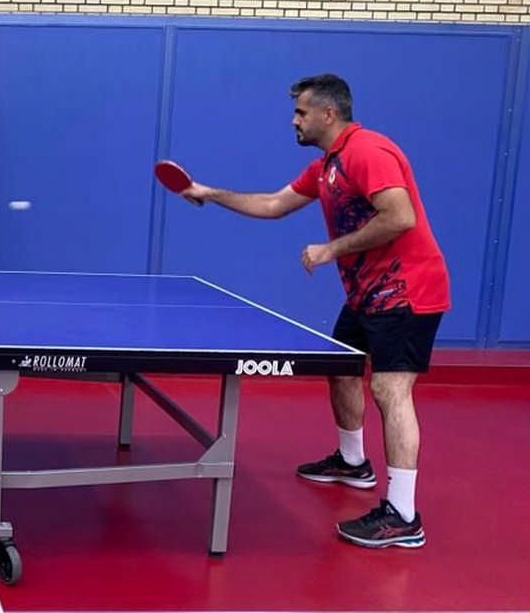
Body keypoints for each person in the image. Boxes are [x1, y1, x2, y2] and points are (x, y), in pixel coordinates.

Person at [180, 73, 449, 549]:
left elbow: (400, 216)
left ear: (328, 113)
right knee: (342, 370)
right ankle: (353, 463)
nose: (294, 120)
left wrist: (331, 249)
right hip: (368, 293)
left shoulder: (367, 151)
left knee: (390, 389)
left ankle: (403, 515)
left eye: (301, 112)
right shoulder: (328, 166)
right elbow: (273, 204)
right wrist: (210, 192)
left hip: (408, 291)